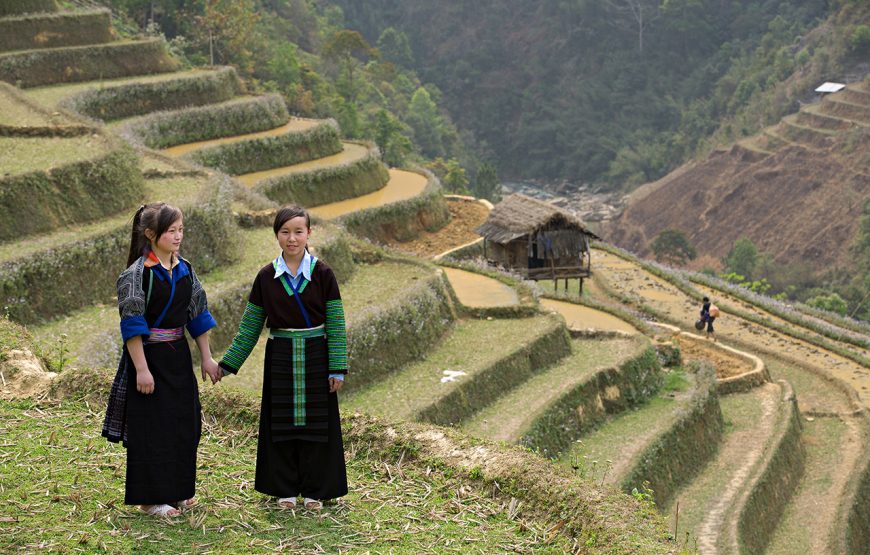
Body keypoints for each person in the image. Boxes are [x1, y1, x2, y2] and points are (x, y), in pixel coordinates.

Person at [218, 206, 348, 511]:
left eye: (298, 231)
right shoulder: (266, 277)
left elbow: (336, 324)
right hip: (280, 357)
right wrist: (227, 365)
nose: (292, 238)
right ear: (277, 234)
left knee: (318, 425)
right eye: (285, 232)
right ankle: (285, 490)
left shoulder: (324, 274)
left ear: (309, 234)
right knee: (281, 424)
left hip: (317, 355)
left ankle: (315, 490)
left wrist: (337, 368)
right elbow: (250, 328)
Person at [102, 203, 221, 517]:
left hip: (179, 357)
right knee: (153, 428)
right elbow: (132, 326)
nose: (178, 236)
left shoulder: (186, 269)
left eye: (180, 229)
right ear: (151, 234)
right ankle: (152, 499)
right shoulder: (136, 275)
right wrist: (141, 369)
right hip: (149, 359)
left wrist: (207, 359)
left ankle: (180, 491)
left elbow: (198, 315)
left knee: (186, 423)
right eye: (172, 230)